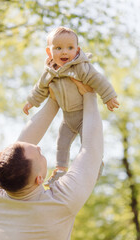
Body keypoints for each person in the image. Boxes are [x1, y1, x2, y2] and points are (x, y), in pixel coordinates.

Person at [0, 87, 103, 240]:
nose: (38, 146)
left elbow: (24, 141)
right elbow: (91, 149)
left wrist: (53, 101)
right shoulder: (60, 203)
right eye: (39, 154)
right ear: (39, 179)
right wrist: (89, 94)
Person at [23, 26, 119, 185]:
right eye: (58, 48)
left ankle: (96, 164)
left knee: (89, 142)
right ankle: (60, 170)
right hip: (67, 119)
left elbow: (98, 80)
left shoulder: (81, 67)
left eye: (70, 48)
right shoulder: (49, 73)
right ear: (49, 52)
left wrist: (109, 97)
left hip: (84, 117)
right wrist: (31, 102)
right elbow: (40, 89)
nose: (65, 52)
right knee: (61, 143)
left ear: (77, 49)